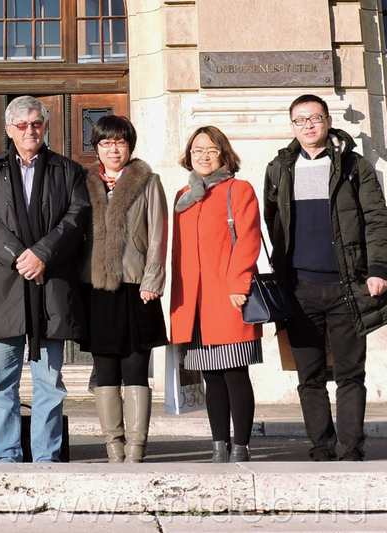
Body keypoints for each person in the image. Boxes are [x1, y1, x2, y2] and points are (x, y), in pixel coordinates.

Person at [264, 94, 387, 462]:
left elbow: (377, 219)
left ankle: (351, 449)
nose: (308, 126)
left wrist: (378, 269)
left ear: (328, 121)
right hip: (299, 290)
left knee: (350, 374)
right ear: (292, 126)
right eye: (300, 120)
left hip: (347, 287)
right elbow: (273, 221)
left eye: (314, 118)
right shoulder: (279, 168)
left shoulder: (354, 165)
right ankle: (320, 447)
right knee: (309, 377)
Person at [0, 95, 90, 463]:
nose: (29, 131)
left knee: (49, 383)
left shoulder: (68, 170)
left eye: (36, 123)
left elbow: (76, 217)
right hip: (2, 288)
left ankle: (46, 458)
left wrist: (43, 255)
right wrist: (20, 257)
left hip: (50, 287)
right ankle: (5, 457)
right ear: (9, 130)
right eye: (21, 125)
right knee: (1, 382)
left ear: (46, 126)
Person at [78, 115, 168, 463]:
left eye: (120, 142)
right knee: (105, 372)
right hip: (97, 289)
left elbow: (158, 235)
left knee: (135, 369)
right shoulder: (84, 183)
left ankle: (135, 447)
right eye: (106, 143)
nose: (113, 149)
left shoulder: (148, 182)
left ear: (130, 146)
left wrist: (152, 280)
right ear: (96, 148)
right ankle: (113, 447)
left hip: (137, 288)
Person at [170, 126, 262, 463]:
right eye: (197, 150)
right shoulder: (183, 196)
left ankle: (241, 446)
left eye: (211, 150)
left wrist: (239, 284)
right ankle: (219, 446)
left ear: (223, 154)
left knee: (235, 373)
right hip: (194, 302)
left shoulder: (238, 189)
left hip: (228, 297)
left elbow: (249, 239)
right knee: (210, 377)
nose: (203, 156)